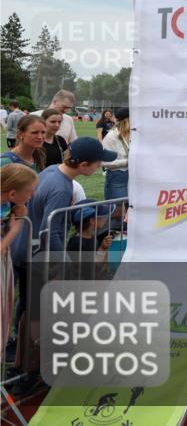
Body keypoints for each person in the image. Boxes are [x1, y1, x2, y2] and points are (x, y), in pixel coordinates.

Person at [9, 137, 116, 382]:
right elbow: (51, 231)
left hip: (25, 248)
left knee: (28, 306)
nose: (100, 166)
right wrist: (64, 265)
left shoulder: (50, 171)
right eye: (98, 162)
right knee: (39, 312)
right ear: (84, 164)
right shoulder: (62, 187)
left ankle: (24, 363)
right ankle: (30, 369)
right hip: (37, 255)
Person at [2, 164, 37, 356]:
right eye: (29, 192)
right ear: (13, 194)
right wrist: (15, 230)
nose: (32, 196)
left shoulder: (7, 206)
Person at [101, 108, 130, 201]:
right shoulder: (111, 136)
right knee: (118, 207)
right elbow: (103, 162)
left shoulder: (136, 134)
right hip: (117, 176)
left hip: (134, 175)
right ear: (127, 120)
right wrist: (126, 162)